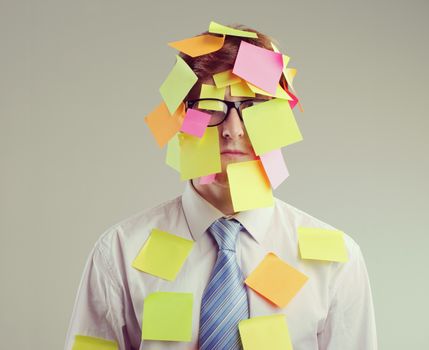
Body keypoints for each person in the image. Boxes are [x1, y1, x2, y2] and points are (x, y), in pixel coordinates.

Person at [64, 23, 377, 350]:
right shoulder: (119, 252)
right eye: (211, 108)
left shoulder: (337, 260)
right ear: (181, 118)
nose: (233, 129)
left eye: (251, 108)